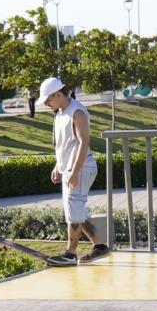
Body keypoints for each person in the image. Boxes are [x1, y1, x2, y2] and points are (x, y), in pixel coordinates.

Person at [42, 75, 107, 265]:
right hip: (70, 169)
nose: (46, 104)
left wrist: (74, 171)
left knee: (74, 210)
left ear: (58, 94)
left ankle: (70, 253)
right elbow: (65, 145)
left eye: (48, 99)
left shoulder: (77, 112)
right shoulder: (61, 113)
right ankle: (100, 246)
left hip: (81, 167)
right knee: (75, 211)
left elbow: (83, 142)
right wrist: (59, 166)